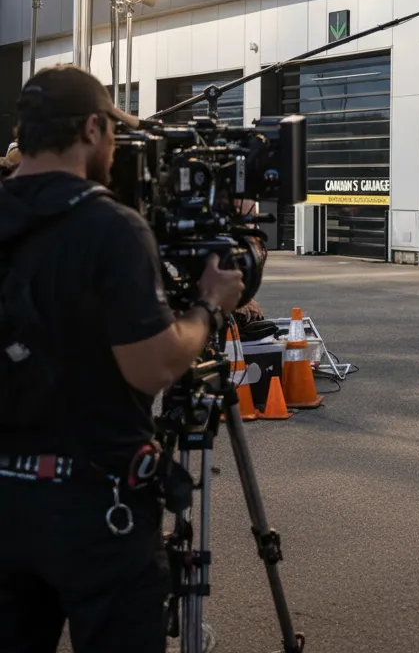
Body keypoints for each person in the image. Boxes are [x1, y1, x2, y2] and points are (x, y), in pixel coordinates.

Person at [0, 65, 245, 653]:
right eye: (112, 132)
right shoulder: (109, 227)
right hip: (96, 508)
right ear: (90, 129)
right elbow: (154, 366)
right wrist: (208, 309)